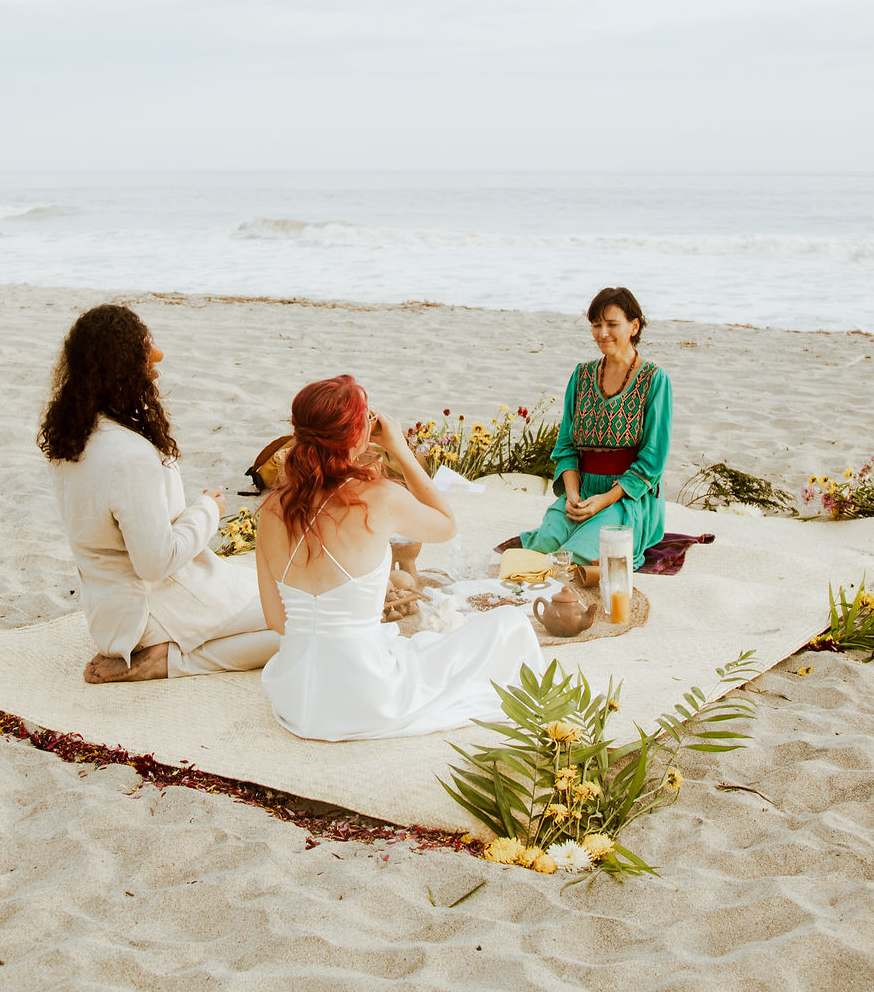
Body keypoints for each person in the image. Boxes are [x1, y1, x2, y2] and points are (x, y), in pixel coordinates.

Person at [255, 374, 543, 741]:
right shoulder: (379, 497)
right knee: (508, 624)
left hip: (295, 694)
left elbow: (277, 620)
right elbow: (446, 525)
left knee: (406, 644)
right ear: (358, 435)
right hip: (366, 696)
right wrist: (401, 449)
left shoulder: (271, 510)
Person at [38, 304, 279, 683]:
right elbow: (155, 562)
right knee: (307, 621)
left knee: (277, 595)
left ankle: (170, 651)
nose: (156, 358)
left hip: (109, 611)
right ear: (124, 366)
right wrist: (208, 510)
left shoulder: (74, 437)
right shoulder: (128, 455)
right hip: (151, 608)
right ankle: (169, 662)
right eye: (145, 348)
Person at [516, 287, 672, 569]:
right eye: (596, 325)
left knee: (575, 558)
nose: (602, 333)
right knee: (542, 547)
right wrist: (573, 496)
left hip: (627, 497)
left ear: (633, 326)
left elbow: (653, 460)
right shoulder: (582, 375)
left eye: (612, 324)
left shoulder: (654, 379)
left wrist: (604, 501)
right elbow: (566, 445)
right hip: (582, 489)